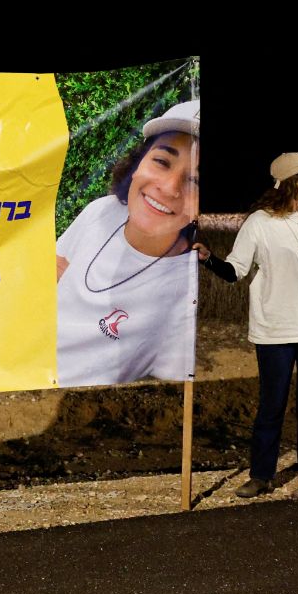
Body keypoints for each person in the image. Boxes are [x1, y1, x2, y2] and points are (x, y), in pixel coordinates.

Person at [195, 153, 298, 499]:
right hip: (275, 330)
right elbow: (236, 271)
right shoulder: (258, 223)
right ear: (294, 180)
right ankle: (261, 476)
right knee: (271, 407)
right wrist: (209, 260)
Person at [56, 100, 200, 387]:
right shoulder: (101, 211)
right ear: (138, 164)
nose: (169, 187)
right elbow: (55, 271)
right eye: (161, 161)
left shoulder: (188, 290)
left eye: (196, 181)